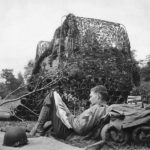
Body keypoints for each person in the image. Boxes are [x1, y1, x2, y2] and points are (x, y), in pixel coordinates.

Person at [30, 85, 109, 139]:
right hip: (69, 128)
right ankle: (38, 127)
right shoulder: (102, 108)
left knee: (52, 95)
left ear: (98, 96)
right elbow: (82, 122)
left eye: (91, 96)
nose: (89, 99)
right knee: (55, 100)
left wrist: (68, 116)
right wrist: (68, 114)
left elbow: (79, 128)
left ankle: (38, 129)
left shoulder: (97, 108)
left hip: (67, 132)